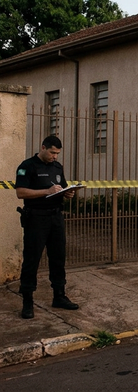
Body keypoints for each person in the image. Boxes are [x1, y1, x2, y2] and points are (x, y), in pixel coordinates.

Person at [15, 135, 81, 319]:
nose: (55, 157)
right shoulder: (27, 166)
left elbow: (63, 187)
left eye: (57, 153)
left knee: (58, 258)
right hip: (36, 218)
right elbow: (20, 192)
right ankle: (27, 301)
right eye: (52, 152)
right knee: (32, 259)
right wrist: (46, 191)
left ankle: (59, 296)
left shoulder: (57, 167)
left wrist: (69, 193)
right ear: (43, 147)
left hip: (56, 217)